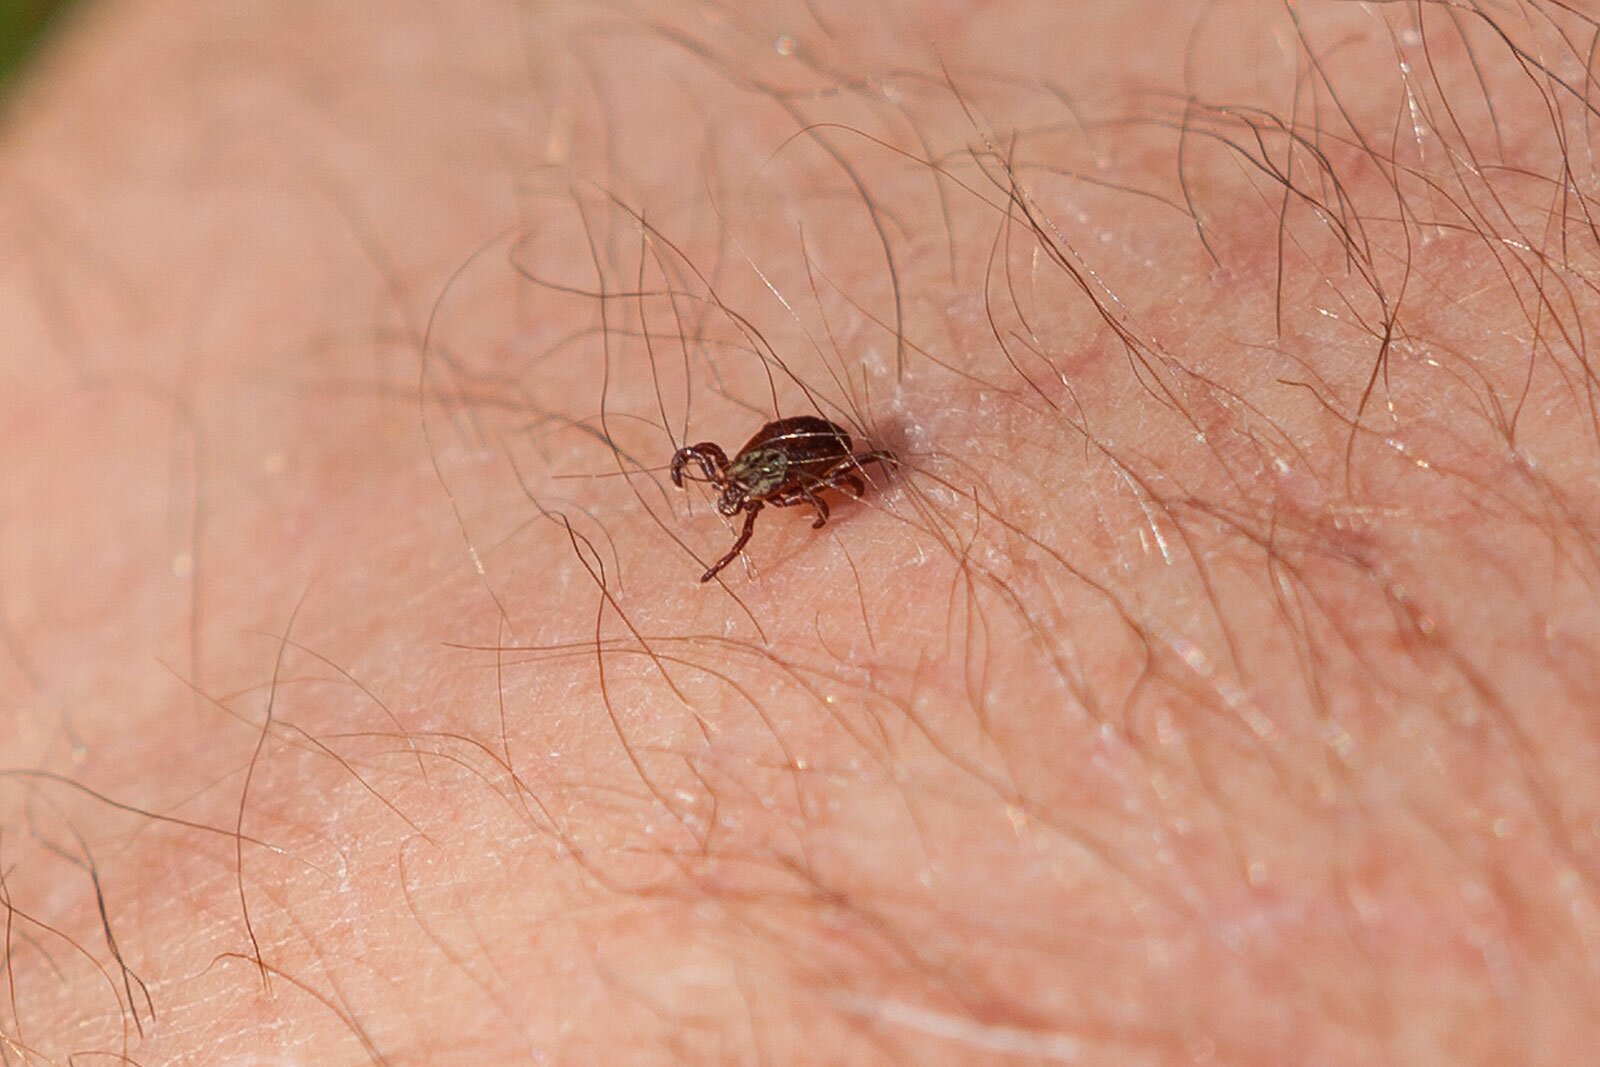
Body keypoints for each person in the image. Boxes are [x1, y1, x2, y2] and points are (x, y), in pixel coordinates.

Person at [1, 0, 1593, 1061]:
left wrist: (775, 514)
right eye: (756, 489)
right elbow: (792, 473)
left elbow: (802, 494)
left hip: (817, 443)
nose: (762, 503)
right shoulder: (780, 469)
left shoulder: (790, 491)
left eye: (765, 491)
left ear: (776, 479)